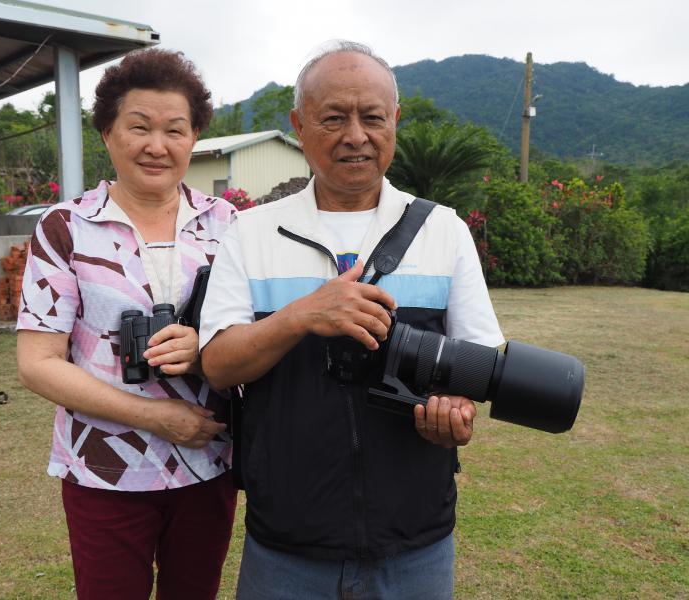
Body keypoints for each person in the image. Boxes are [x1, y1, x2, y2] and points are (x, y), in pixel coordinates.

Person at [200, 41, 504, 599]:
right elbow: (218, 365)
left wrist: (456, 409)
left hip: (416, 539)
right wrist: (299, 316)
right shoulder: (250, 233)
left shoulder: (443, 230)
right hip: (287, 543)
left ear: (395, 121)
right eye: (333, 118)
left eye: (373, 117)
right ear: (297, 124)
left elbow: (480, 364)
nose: (355, 135)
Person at [16, 48, 238, 600]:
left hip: (208, 461)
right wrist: (154, 416)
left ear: (194, 139)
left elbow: (255, 332)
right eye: (138, 127)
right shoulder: (66, 227)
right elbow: (38, 363)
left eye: (175, 130)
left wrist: (206, 345)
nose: (157, 145)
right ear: (108, 132)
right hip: (103, 468)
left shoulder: (228, 224)